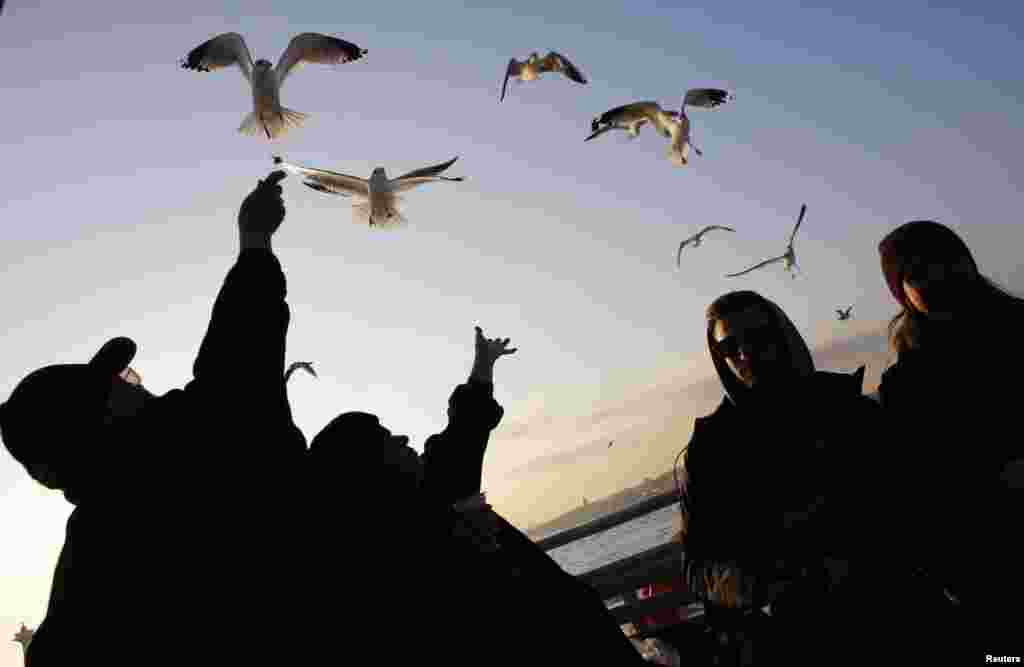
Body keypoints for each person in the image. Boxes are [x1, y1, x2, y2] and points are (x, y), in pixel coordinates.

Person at [0, 171, 306, 665]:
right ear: (99, 422)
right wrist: (254, 242)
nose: (133, 382)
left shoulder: (93, 548)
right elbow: (238, 365)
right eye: (117, 384)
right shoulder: (174, 466)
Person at [677, 290, 884, 665]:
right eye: (728, 347)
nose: (744, 353)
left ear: (782, 335)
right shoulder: (712, 448)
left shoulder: (845, 407)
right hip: (788, 636)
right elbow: (696, 566)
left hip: (887, 608)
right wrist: (758, 586)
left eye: (756, 337)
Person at [876, 220, 1024, 656]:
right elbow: (915, 497)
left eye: (944, 262)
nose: (936, 278)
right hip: (996, 580)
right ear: (902, 291)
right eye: (916, 272)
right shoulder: (905, 388)